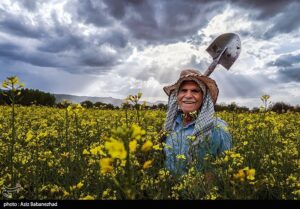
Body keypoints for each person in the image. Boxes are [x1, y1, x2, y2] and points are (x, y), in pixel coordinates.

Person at [162, 69, 232, 175]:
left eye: (195, 91)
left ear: (204, 97)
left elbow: (227, 169)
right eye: (183, 90)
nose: (188, 96)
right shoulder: (170, 125)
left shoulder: (217, 128)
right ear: (177, 96)